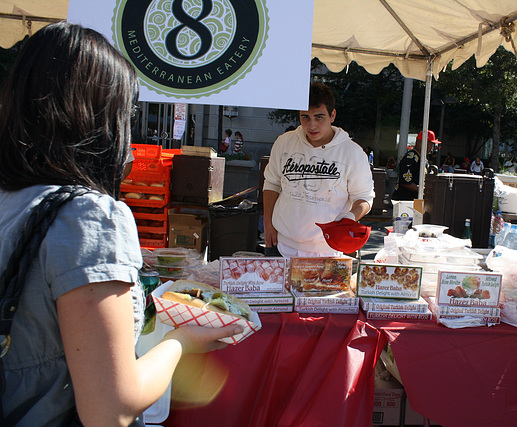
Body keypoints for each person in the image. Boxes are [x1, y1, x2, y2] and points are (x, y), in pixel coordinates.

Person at [0, 22, 240, 426]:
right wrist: (179, 341)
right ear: (99, 118)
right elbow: (111, 409)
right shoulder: (88, 217)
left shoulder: (12, 200)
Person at [262, 82, 375, 257]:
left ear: (332, 115)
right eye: (305, 117)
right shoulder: (284, 142)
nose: (312, 125)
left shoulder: (352, 153)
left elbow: (364, 197)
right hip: (283, 244)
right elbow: (271, 183)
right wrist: (268, 223)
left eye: (319, 117)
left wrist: (351, 216)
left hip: (329, 249)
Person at [391, 130, 441, 201]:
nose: (432, 148)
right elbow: (406, 182)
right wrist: (424, 190)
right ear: (422, 143)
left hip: (416, 200)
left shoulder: (422, 158)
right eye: (431, 144)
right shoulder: (410, 158)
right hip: (405, 201)